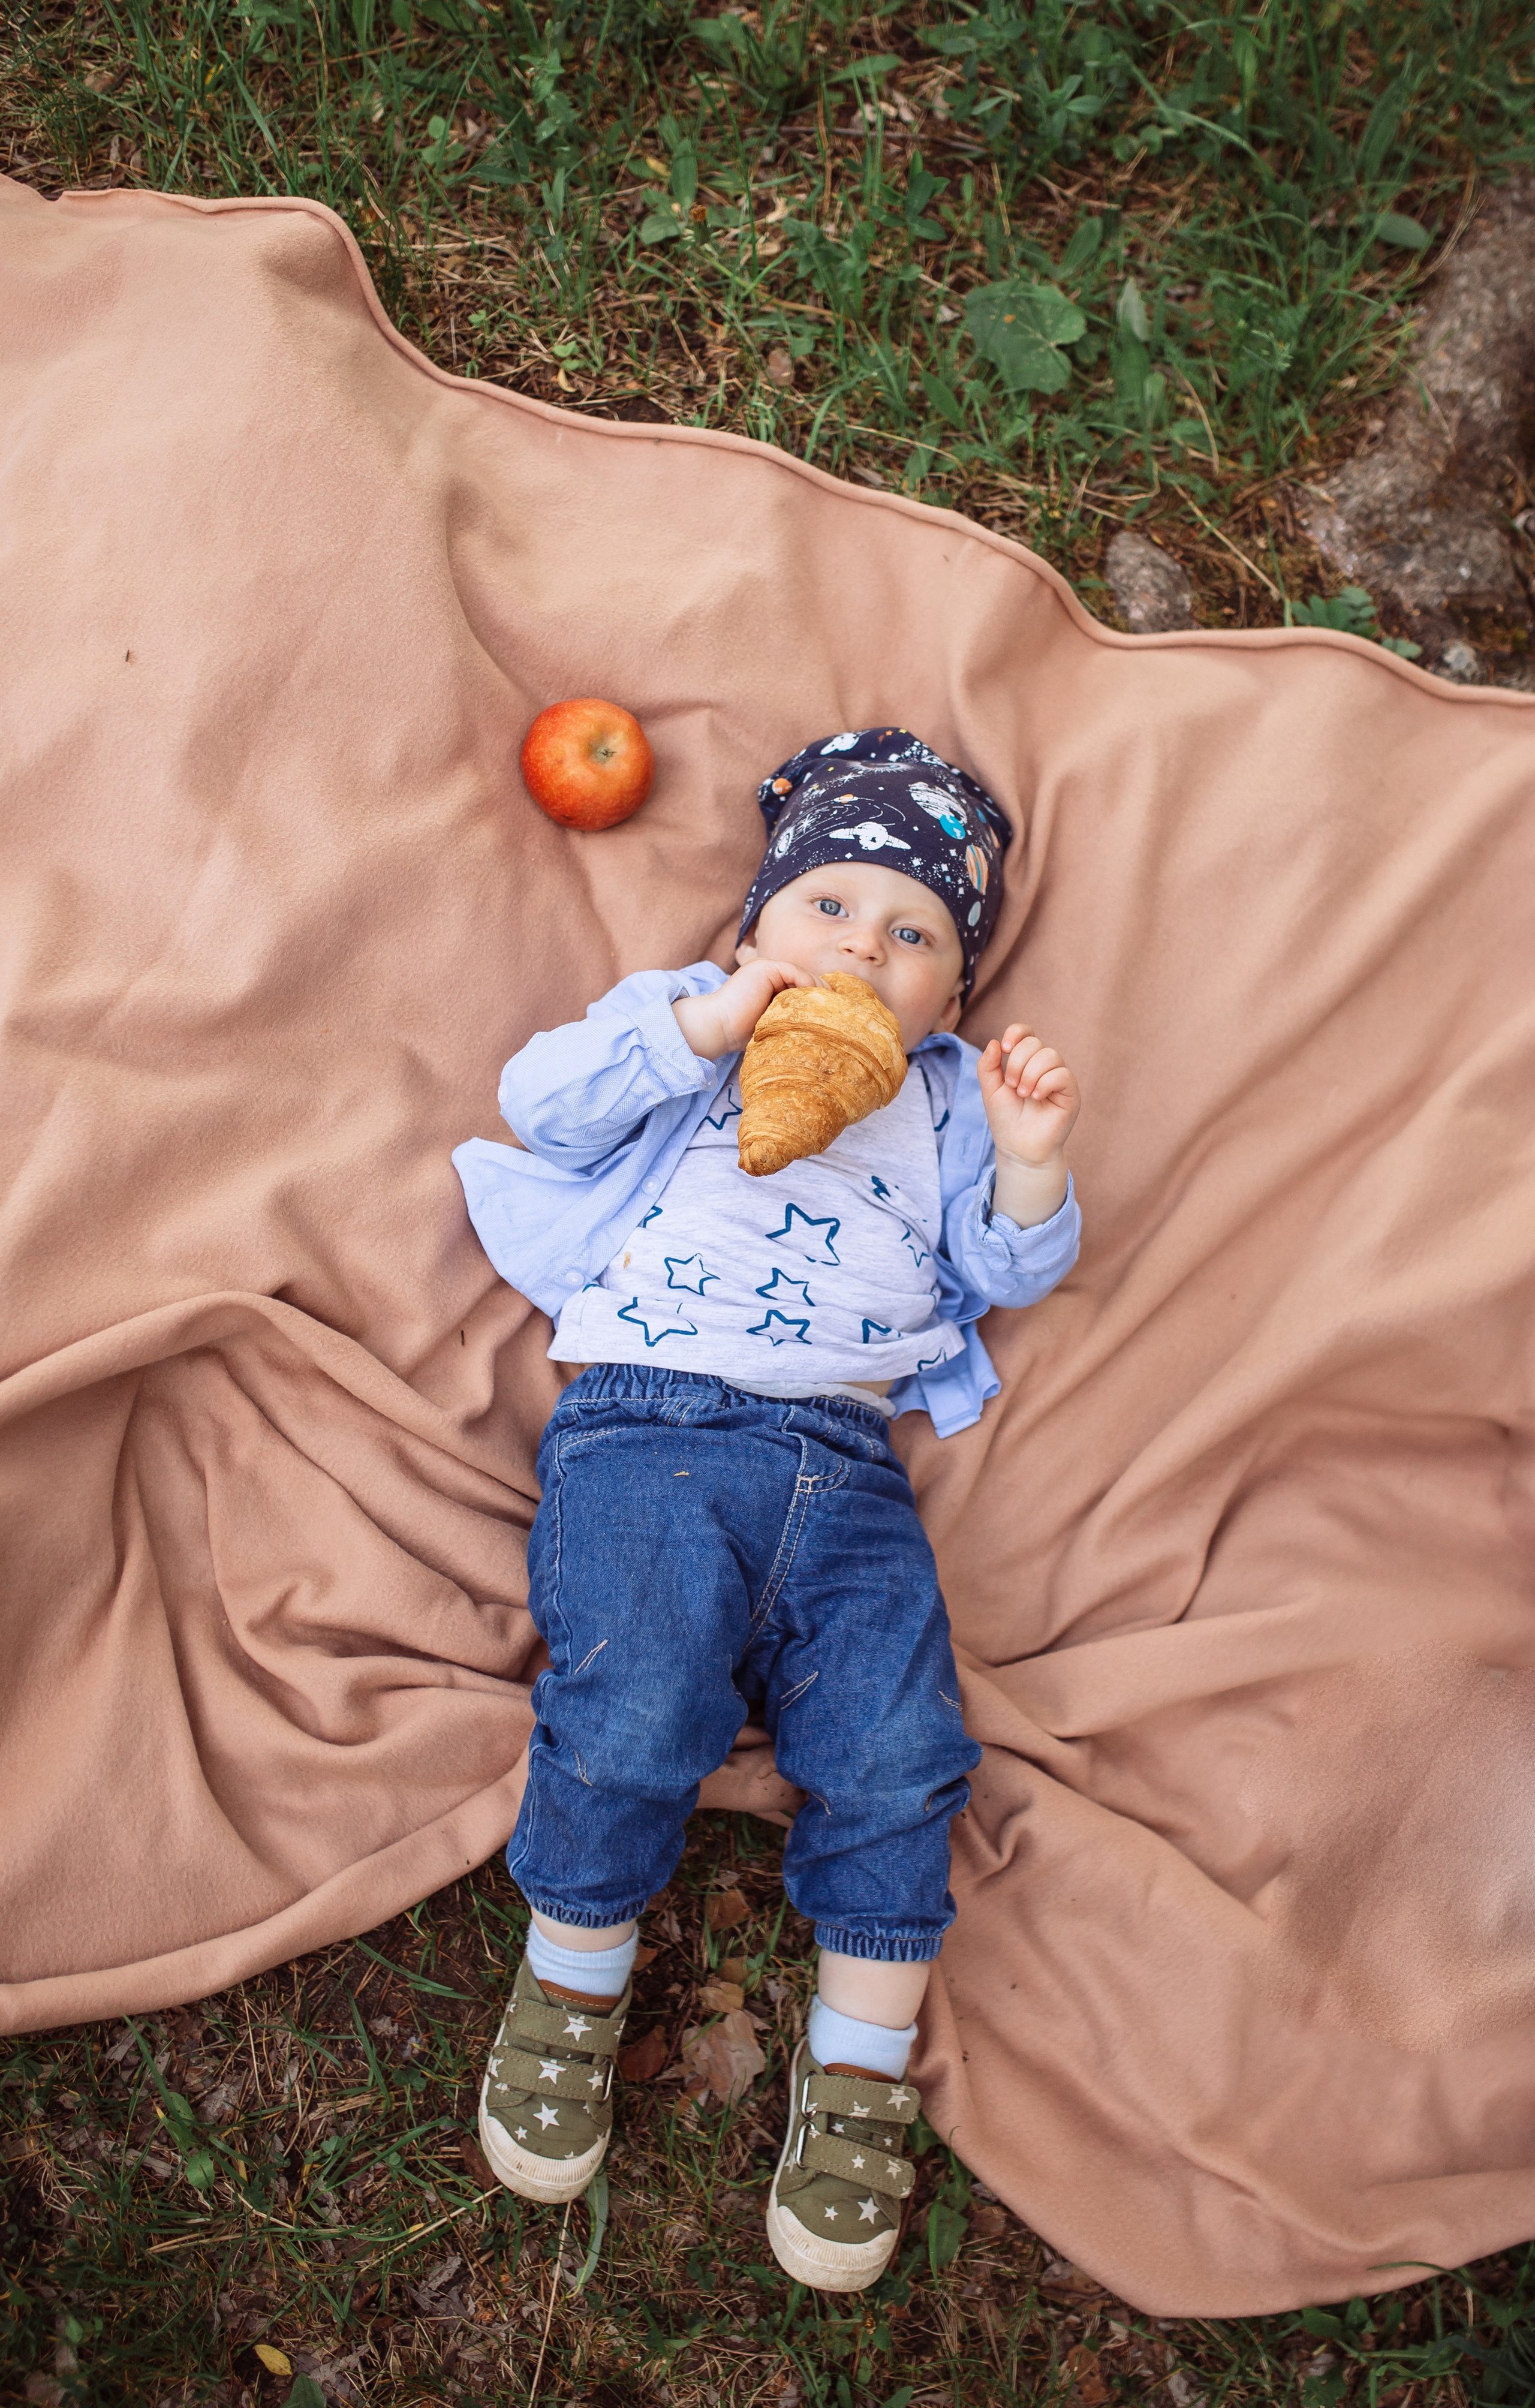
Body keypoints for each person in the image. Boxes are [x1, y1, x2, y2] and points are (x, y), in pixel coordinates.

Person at [452, 726, 1082, 2292]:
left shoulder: (937, 1099)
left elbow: (1003, 1280)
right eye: (828, 912)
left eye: (914, 933)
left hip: (851, 1472)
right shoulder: (687, 1020)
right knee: (634, 1706)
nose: (863, 947)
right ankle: (571, 1981)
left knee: (901, 1751)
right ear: (755, 923)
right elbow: (547, 1103)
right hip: (648, 1426)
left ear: (953, 994)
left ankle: (863, 2069)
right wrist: (709, 1019)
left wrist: (1026, 1164)